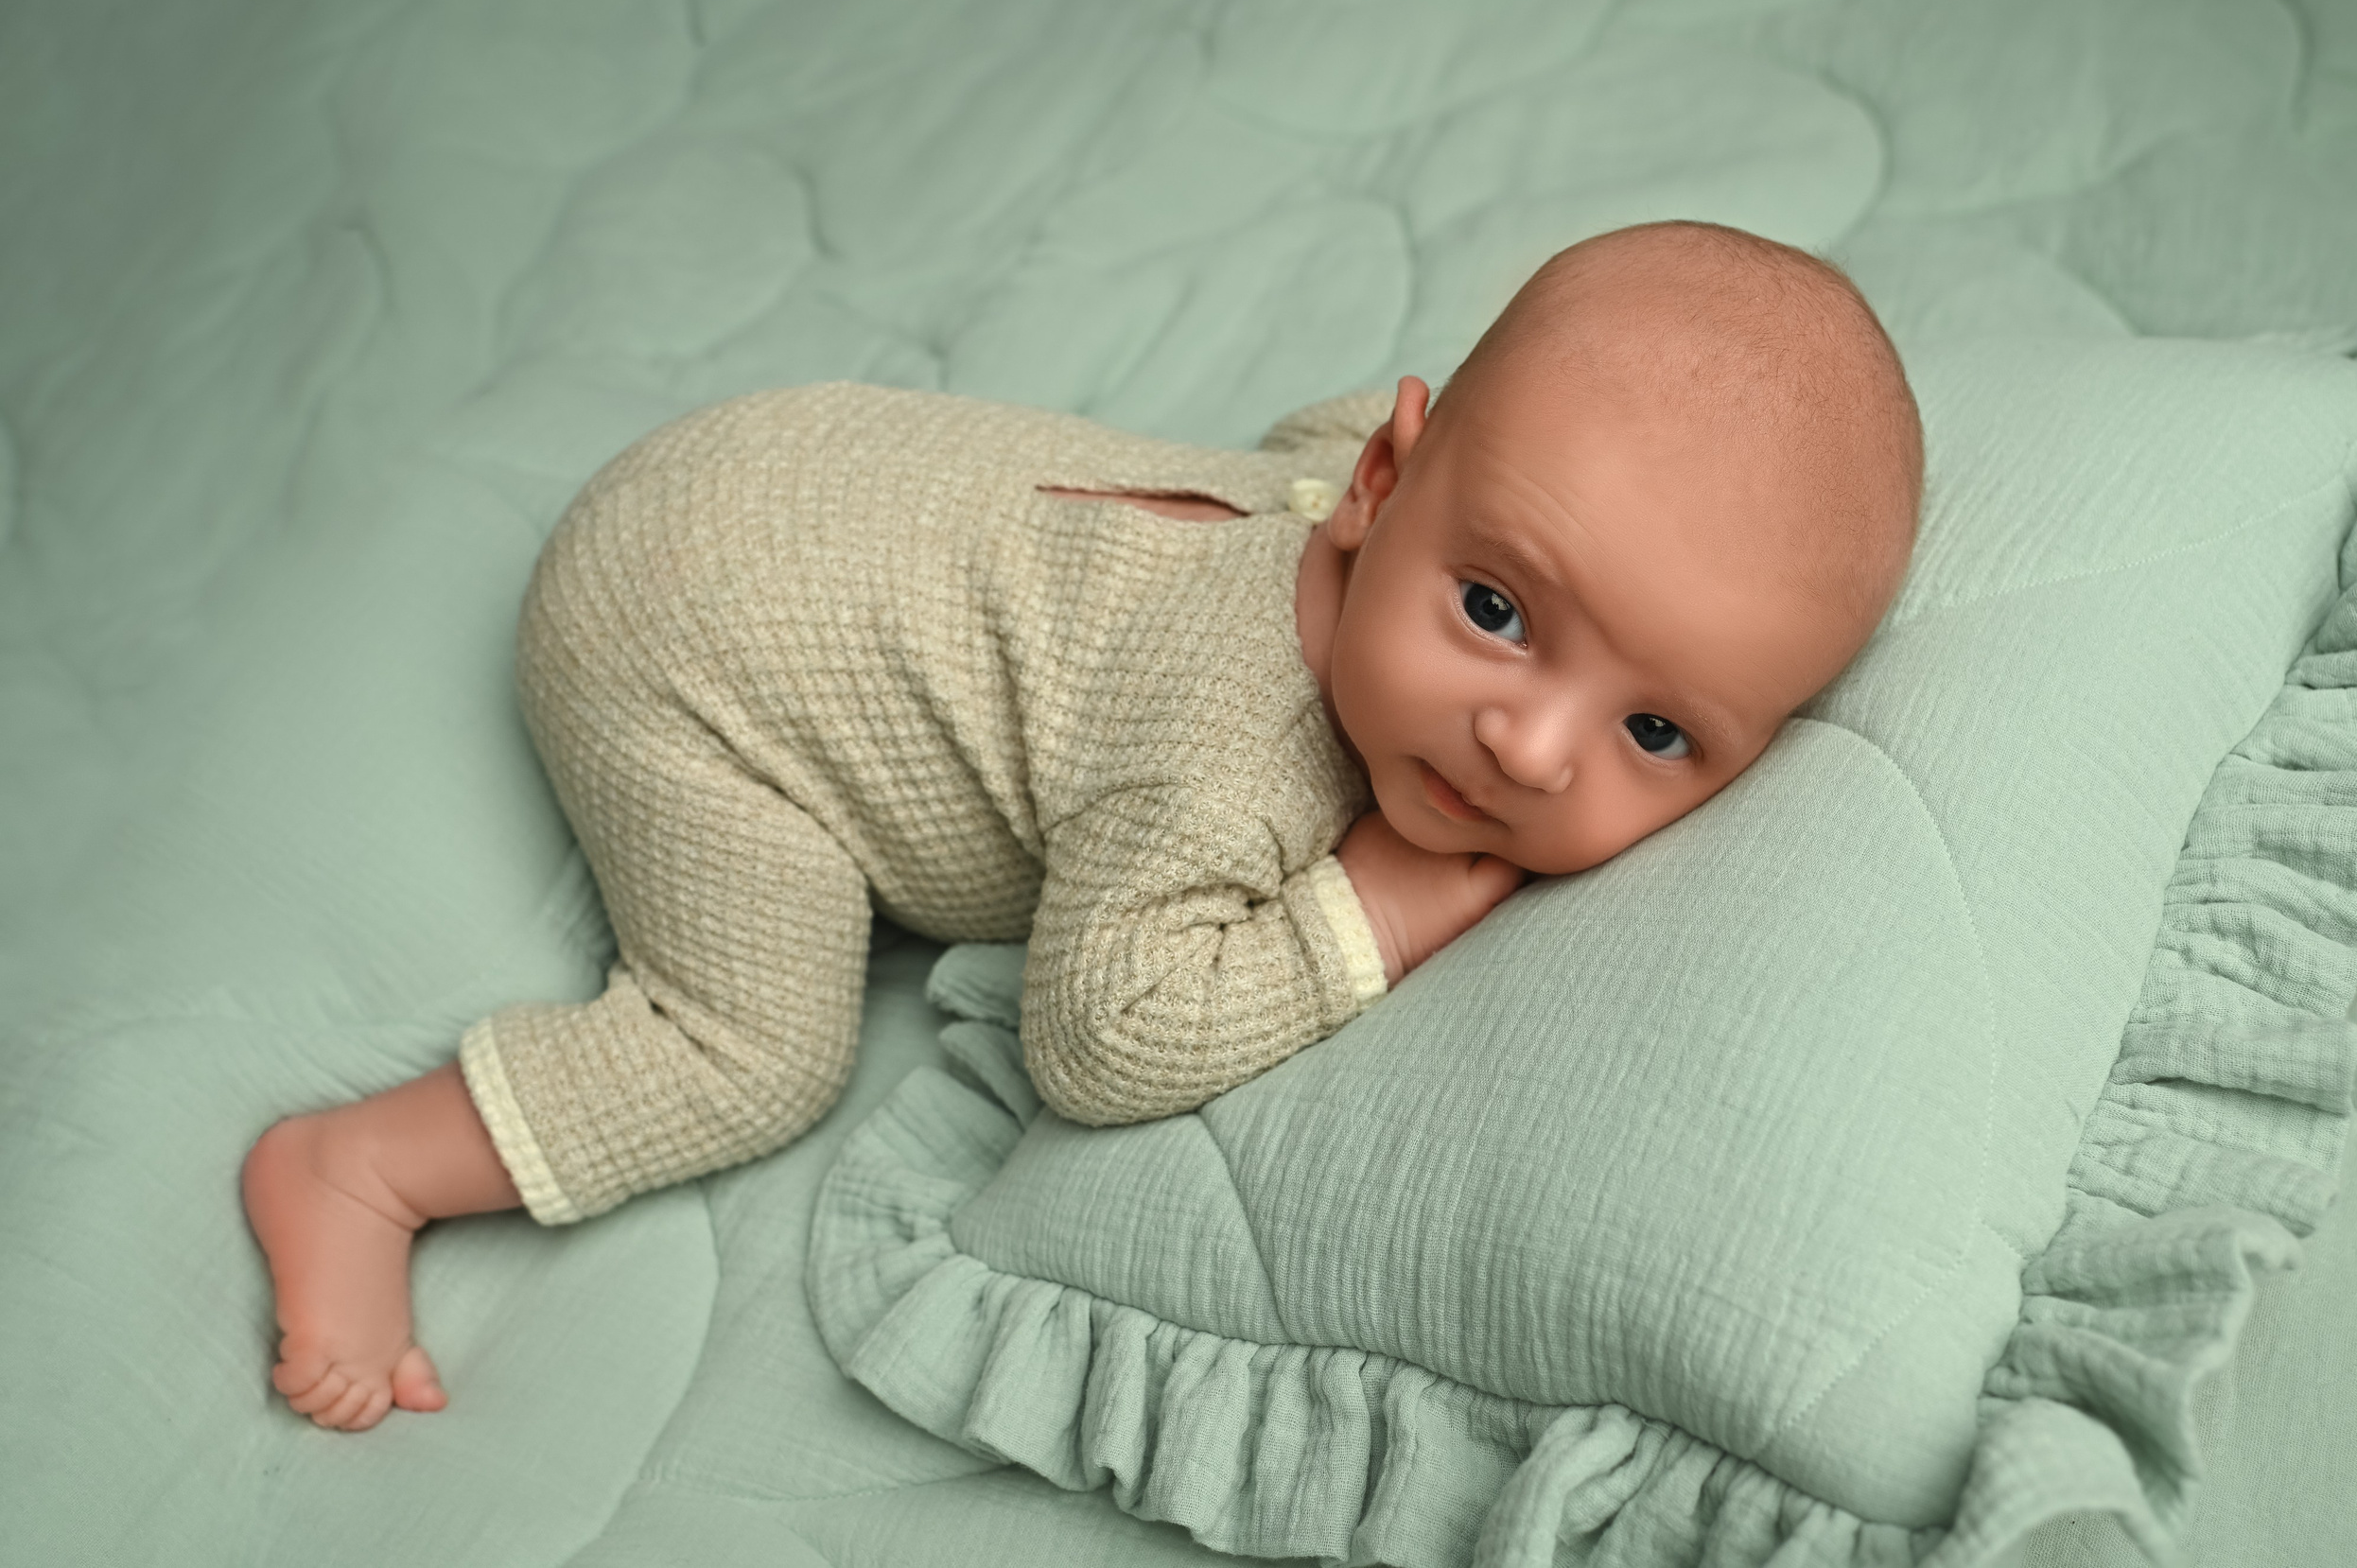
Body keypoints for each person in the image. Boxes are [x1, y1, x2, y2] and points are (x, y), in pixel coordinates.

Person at [240, 219, 1925, 1431]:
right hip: (687, 654)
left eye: (1654, 730)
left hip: (774, 470)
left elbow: (1320, 431)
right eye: (1496, 608)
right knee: (753, 1051)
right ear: (1389, 489)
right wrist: (1372, 913)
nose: (1529, 748)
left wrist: (1487, 567)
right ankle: (361, 1169)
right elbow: (1100, 1036)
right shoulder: (1223, 762)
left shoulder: (1358, 470)